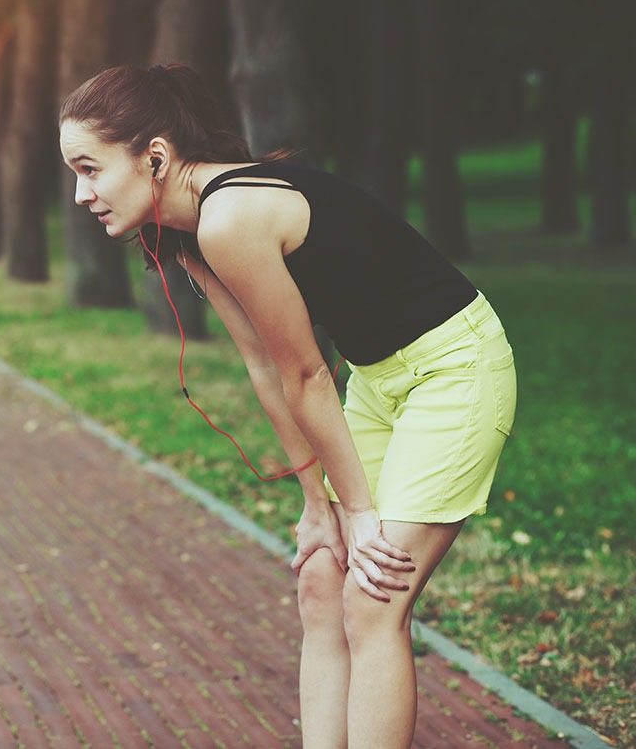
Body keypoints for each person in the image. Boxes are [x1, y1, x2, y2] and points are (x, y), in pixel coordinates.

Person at [59, 63, 517, 749]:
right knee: (322, 583)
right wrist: (316, 505)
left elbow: (305, 370)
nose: (78, 193)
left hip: (454, 369)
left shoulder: (231, 216)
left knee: (372, 596)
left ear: (154, 155)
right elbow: (264, 365)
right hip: (377, 379)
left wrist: (358, 510)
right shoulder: (184, 232)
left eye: (90, 168)